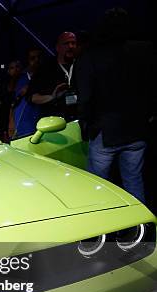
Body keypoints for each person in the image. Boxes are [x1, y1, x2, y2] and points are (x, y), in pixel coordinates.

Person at [76, 8, 156, 203]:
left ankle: (103, 228)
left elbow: (85, 98)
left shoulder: (90, 57)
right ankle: (141, 228)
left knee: (98, 187)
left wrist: (85, 126)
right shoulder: (146, 50)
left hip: (105, 133)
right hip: (138, 130)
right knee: (134, 182)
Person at [27, 32, 78, 120]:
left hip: (81, 119)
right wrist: (52, 97)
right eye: (66, 43)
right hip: (54, 120)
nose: (71, 46)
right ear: (58, 47)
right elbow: (32, 97)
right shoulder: (45, 69)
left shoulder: (83, 65)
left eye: (73, 43)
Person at [9, 48, 44, 137]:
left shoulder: (48, 76)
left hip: (43, 123)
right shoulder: (20, 79)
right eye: (33, 58)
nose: (36, 60)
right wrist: (11, 122)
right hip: (23, 126)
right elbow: (13, 104)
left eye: (39, 57)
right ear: (28, 61)